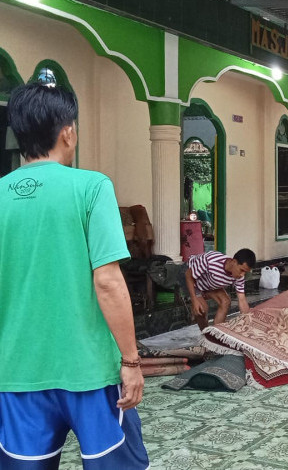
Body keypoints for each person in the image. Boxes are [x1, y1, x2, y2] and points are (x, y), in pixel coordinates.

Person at [0, 82, 149, 469]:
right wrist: (131, 362)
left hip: (16, 375)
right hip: (90, 373)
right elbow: (108, 281)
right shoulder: (91, 187)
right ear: (68, 132)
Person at [178, 248, 256, 330]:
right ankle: (206, 335)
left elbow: (242, 299)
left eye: (245, 272)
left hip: (209, 282)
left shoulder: (239, 276)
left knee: (225, 301)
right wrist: (194, 300)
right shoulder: (211, 261)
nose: (242, 275)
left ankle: (217, 332)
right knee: (201, 308)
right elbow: (188, 275)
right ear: (234, 262)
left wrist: (248, 324)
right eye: (241, 270)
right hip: (189, 277)